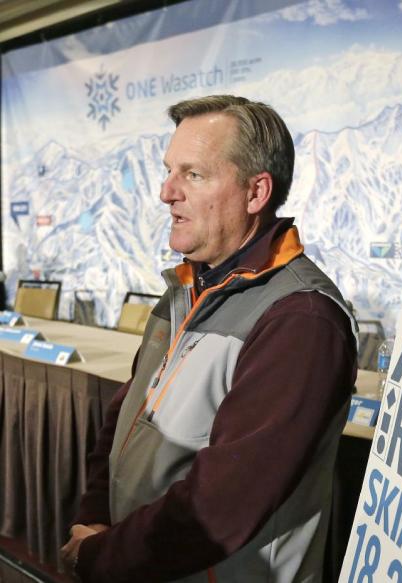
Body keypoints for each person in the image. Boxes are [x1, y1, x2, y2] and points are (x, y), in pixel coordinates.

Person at [60, 95, 358, 582]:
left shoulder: (300, 319)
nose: (166, 192)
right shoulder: (186, 286)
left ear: (255, 192)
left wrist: (101, 555)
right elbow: (127, 413)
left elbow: (224, 504)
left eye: (193, 175)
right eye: (169, 170)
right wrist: (97, 520)